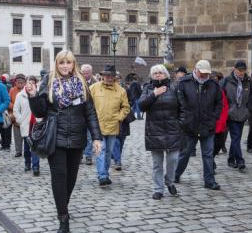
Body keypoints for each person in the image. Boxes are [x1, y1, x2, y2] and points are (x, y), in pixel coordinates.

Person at [27, 50, 102, 233]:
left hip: (77, 137)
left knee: (71, 179)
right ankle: (63, 218)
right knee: (59, 177)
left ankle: (63, 205)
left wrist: (97, 137)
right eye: (62, 63)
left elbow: (90, 112)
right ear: (57, 64)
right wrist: (34, 96)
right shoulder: (48, 82)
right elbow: (39, 112)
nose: (65, 66)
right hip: (56, 137)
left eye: (68, 62)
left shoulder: (82, 83)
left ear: (73, 64)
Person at [175, 60, 222, 190]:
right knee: (185, 153)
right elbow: (180, 103)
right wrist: (184, 119)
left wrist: (214, 118)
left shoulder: (213, 84)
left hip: (208, 125)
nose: (204, 76)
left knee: (208, 154)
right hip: (189, 125)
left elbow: (219, 103)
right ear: (196, 70)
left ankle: (209, 180)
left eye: (206, 74)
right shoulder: (184, 83)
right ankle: (176, 174)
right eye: (202, 73)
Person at [139, 64, 184, 200]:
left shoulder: (174, 87)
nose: (158, 75)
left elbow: (183, 108)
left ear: (166, 74)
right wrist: (154, 94)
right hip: (155, 131)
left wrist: (180, 124)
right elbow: (141, 105)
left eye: (160, 72)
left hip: (173, 130)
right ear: (152, 76)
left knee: (173, 159)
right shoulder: (148, 88)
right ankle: (158, 189)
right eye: (155, 73)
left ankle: (169, 181)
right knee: (157, 164)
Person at [90, 64, 130, 186]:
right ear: (102, 76)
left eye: (111, 76)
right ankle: (102, 176)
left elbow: (126, 107)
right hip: (98, 126)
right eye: (106, 75)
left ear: (114, 77)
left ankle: (105, 173)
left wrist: (119, 117)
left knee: (108, 152)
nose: (108, 78)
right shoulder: (94, 88)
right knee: (100, 151)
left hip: (113, 126)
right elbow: (88, 105)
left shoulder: (121, 90)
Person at [221, 61, 251, 172]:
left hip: (243, 114)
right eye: (239, 71)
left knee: (236, 138)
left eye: (243, 71)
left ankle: (230, 159)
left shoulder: (248, 81)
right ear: (234, 69)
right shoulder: (227, 81)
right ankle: (240, 161)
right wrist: (226, 111)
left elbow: (251, 97)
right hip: (231, 114)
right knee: (236, 137)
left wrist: (248, 110)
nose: (241, 73)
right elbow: (220, 96)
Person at [14, 76, 40, 176]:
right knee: (27, 147)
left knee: (35, 146)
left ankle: (36, 166)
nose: (30, 85)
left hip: (36, 124)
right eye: (29, 83)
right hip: (25, 124)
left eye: (32, 83)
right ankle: (27, 163)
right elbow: (16, 110)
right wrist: (20, 120)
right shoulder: (20, 95)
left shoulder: (38, 94)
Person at [210, 72, 229, 172]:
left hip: (221, 122)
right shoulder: (207, 90)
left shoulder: (221, 91)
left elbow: (225, 106)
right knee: (210, 145)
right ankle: (210, 163)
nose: (215, 80)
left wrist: (223, 119)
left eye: (217, 79)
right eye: (214, 78)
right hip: (211, 123)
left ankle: (211, 158)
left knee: (220, 143)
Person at [80, 64, 98, 165]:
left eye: (87, 73)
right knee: (81, 135)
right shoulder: (77, 82)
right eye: (83, 73)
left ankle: (88, 156)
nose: (85, 75)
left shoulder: (96, 83)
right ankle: (79, 155)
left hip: (91, 113)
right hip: (80, 113)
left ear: (91, 73)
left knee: (90, 136)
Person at [8, 74, 26, 157]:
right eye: (18, 82)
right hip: (15, 115)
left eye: (21, 82)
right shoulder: (12, 90)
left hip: (26, 115)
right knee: (17, 134)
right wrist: (15, 106)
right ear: (15, 83)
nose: (20, 84)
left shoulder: (27, 90)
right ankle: (18, 150)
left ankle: (27, 149)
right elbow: (8, 101)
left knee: (26, 133)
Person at [0, 74, 12, 151]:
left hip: (6, 109)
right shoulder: (8, 86)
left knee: (6, 127)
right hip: (4, 108)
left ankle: (6, 143)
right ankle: (6, 143)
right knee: (5, 128)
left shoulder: (6, 87)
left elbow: (7, 99)